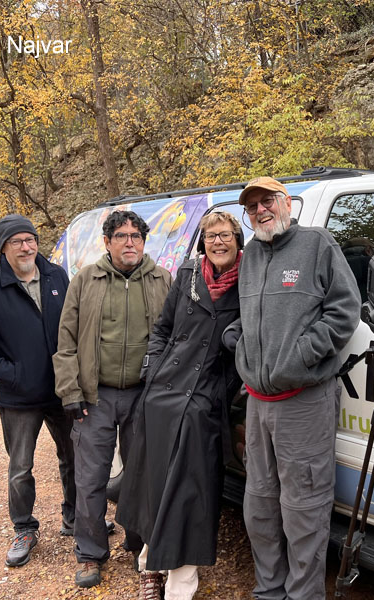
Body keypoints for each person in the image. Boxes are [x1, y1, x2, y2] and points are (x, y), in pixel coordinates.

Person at [235, 177, 361, 599]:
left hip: (304, 400)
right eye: (252, 206)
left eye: (266, 200)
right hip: (258, 402)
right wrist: (242, 347)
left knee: (303, 507)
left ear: (286, 202)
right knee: (260, 503)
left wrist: (302, 354)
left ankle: (303, 595)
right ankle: (269, 590)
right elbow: (248, 315)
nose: (260, 210)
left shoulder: (317, 244)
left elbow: (346, 310)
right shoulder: (250, 253)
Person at [116, 211, 244, 600]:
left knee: (191, 493)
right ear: (201, 242)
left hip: (206, 401)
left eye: (224, 235)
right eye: (210, 236)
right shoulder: (188, 275)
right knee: (155, 486)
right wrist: (152, 371)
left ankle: (181, 583)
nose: (217, 242)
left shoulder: (251, 281)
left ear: (238, 239)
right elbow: (163, 329)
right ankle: (150, 566)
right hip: (164, 395)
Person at [53, 210, 172, 588]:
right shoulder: (86, 280)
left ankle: (139, 544)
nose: (129, 242)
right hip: (96, 395)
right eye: (121, 236)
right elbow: (66, 340)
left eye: (136, 236)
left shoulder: (161, 279)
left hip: (143, 395)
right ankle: (89, 553)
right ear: (107, 242)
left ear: (144, 241)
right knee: (91, 478)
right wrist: (71, 391)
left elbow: (173, 338)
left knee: (142, 476)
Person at [0, 214, 74, 568]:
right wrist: (11, 373)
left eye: (31, 239)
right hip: (18, 397)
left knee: (74, 458)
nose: (26, 247)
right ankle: (24, 528)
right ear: (4, 247)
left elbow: (74, 325)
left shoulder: (57, 276)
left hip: (62, 390)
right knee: (21, 467)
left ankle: (76, 518)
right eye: (17, 241)